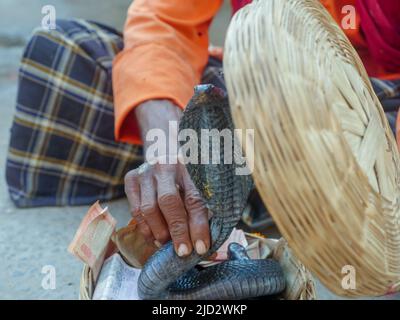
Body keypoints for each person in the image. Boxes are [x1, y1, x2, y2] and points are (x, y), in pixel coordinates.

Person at [6, 0, 400, 258]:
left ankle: (270, 189)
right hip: (264, 91)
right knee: (65, 51)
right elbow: (163, 22)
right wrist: (166, 138)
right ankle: (256, 189)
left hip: (372, 108)